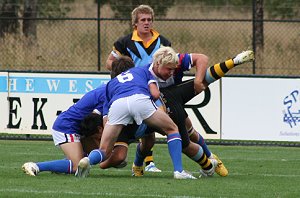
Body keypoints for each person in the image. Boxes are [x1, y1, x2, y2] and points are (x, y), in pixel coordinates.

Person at [76, 52, 209, 180]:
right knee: (172, 129)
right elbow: (156, 94)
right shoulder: (144, 71)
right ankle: (179, 171)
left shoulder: (111, 83)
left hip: (118, 105)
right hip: (139, 99)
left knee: (104, 150)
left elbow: (107, 113)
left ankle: (86, 160)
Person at [105, 4, 171, 172]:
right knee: (137, 124)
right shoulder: (124, 42)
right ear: (135, 23)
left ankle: (147, 162)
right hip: (134, 89)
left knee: (154, 122)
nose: (147, 23)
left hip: (156, 86)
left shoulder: (163, 42)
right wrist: (129, 72)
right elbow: (109, 63)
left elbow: (170, 62)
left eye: (149, 20)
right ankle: (139, 160)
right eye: (143, 20)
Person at [21, 86, 105, 176]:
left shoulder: (108, 91)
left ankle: (60, 167)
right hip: (68, 126)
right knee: (76, 166)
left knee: (89, 157)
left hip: (75, 127)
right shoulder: (107, 94)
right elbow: (93, 120)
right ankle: (35, 166)